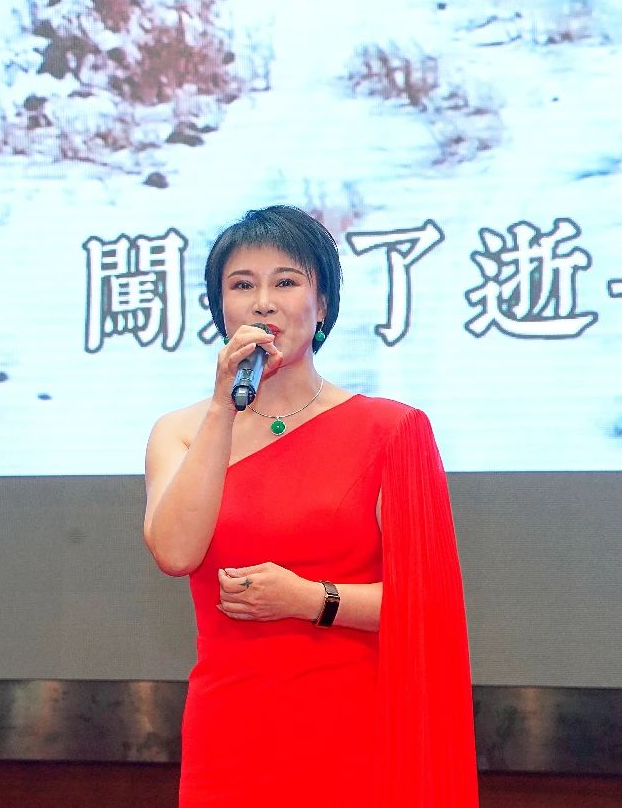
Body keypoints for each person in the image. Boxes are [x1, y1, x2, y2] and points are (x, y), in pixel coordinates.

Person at [143, 205, 477, 807]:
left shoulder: (391, 431)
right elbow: (174, 552)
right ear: (221, 308)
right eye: (242, 285)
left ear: (322, 305)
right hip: (231, 737)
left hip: (353, 738)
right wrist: (222, 408)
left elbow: (428, 606)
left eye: (286, 282)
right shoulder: (183, 431)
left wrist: (309, 599)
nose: (263, 303)